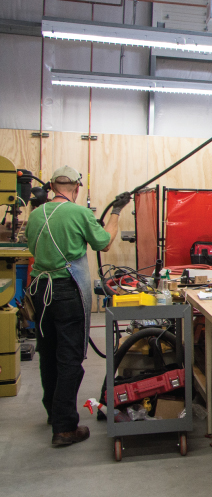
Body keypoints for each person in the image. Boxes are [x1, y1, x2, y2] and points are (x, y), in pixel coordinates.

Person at [26, 166, 130, 447]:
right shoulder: (79, 213)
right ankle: (64, 428)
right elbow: (105, 243)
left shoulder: (35, 214)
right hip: (67, 292)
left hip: (40, 291)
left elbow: (33, 250)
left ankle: (54, 412)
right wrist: (117, 211)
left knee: (48, 353)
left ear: (50, 186)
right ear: (77, 188)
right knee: (70, 358)